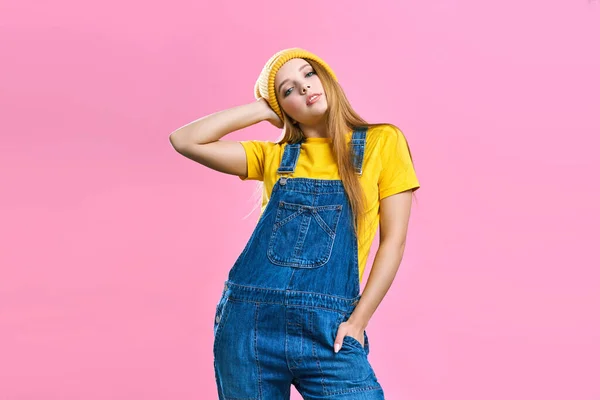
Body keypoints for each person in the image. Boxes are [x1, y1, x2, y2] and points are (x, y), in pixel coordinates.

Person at [169, 48, 420, 400]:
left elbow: (394, 242)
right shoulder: (272, 156)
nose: (303, 88)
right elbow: (185, 140)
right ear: (281, 108)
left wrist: (359, 322)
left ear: (326, 78)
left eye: (308, 74)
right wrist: (261, 108)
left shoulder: (383, 141)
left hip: (328, 330)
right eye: (287, 90)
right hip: (249, 328)